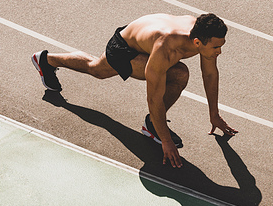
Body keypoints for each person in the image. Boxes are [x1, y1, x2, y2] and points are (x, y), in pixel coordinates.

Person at [32, 13, 238, 168]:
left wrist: (214, 115)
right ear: (197, 42)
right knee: (98, 70)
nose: (219, 51)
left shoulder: (203, 34)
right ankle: (47, 59)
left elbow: (210, 75)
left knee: (97, 68)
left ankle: (46, 60)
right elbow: (153, 98)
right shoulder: (168, 48)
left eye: (222, 45)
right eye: (216, 48)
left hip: (143, 39)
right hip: (124, 47)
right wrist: (165, 141)